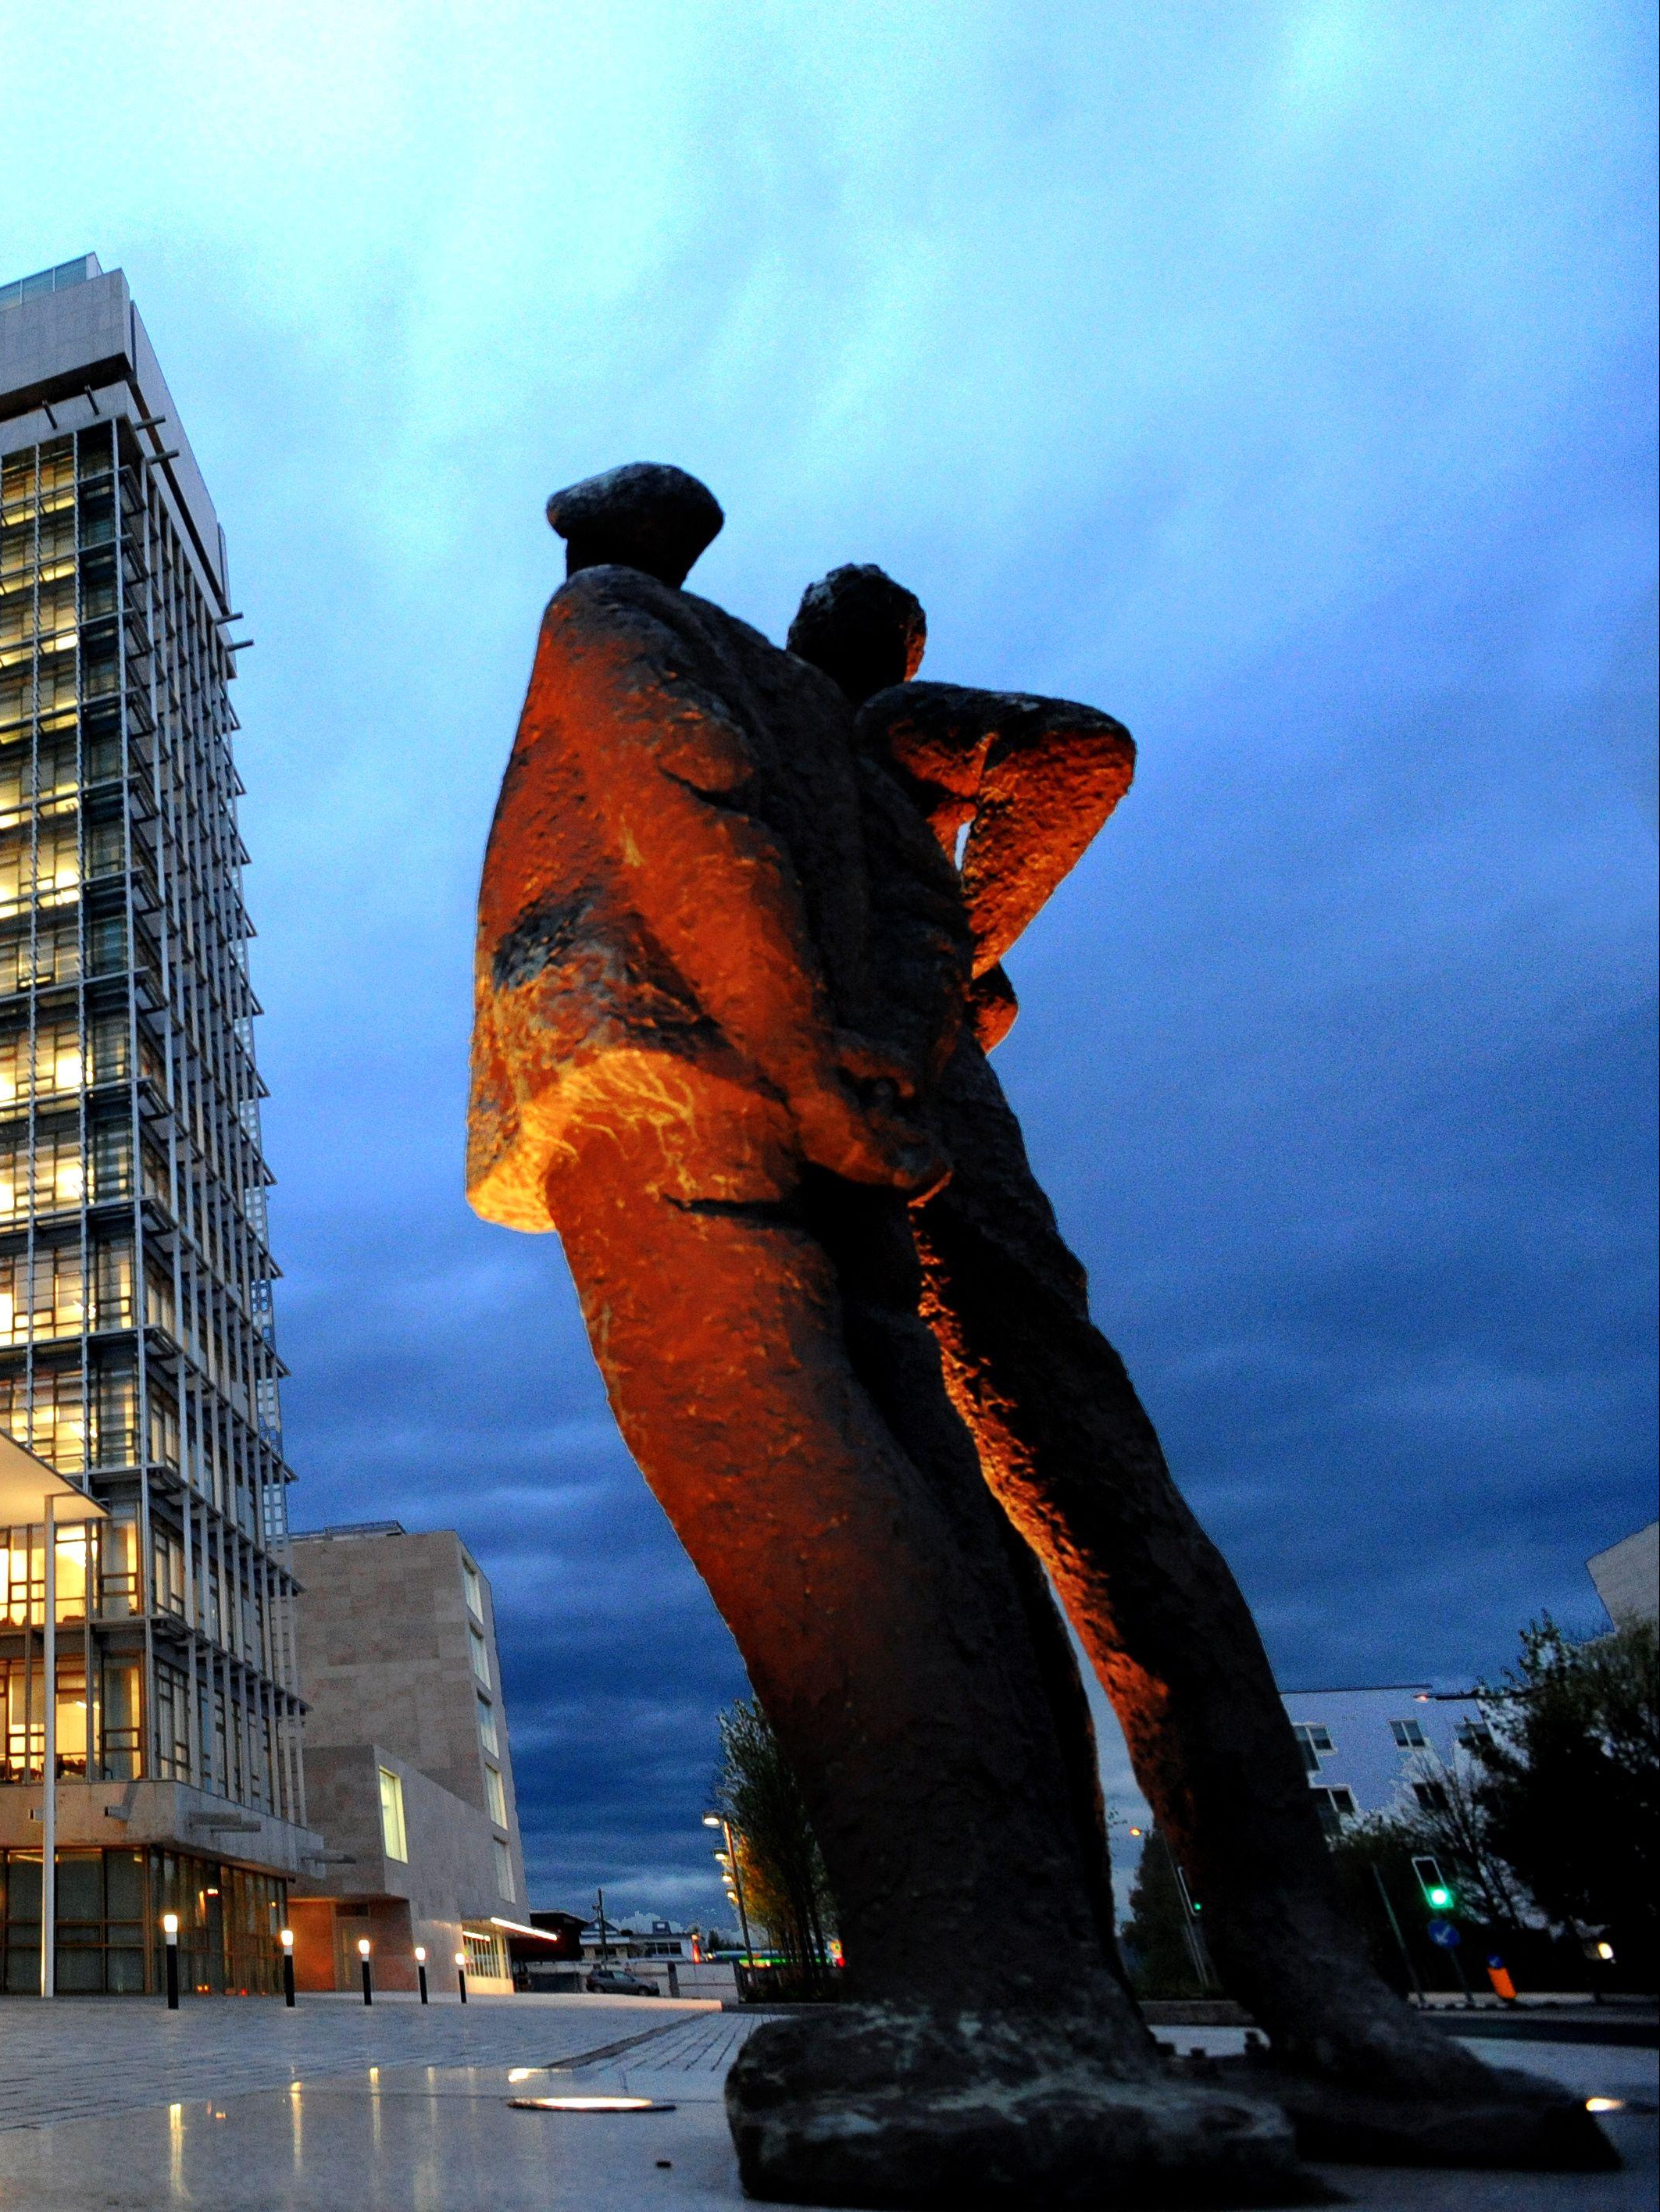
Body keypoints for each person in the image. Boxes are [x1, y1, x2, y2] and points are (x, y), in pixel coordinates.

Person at [469, 463, 1294, 2207]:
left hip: (663, 1059)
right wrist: (898, 1008)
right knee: (921, 1482)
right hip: (816, 1082)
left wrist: (796, 1036)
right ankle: (1040, 1984)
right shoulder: (824, 711)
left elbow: (691, 812)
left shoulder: (613, 620)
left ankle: (982, 1995)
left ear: (602, 531)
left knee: (789, 1484)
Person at [786, 563, 1614, 2174]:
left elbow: (1077, 754)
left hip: (928, 1153)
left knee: (1077, 1492)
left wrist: (941, 957)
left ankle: (1292, 1964)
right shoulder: (797, 765)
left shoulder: (875, 728)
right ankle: (1064, 1981)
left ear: (855, 648)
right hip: (835, 1149)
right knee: (959, 1534)